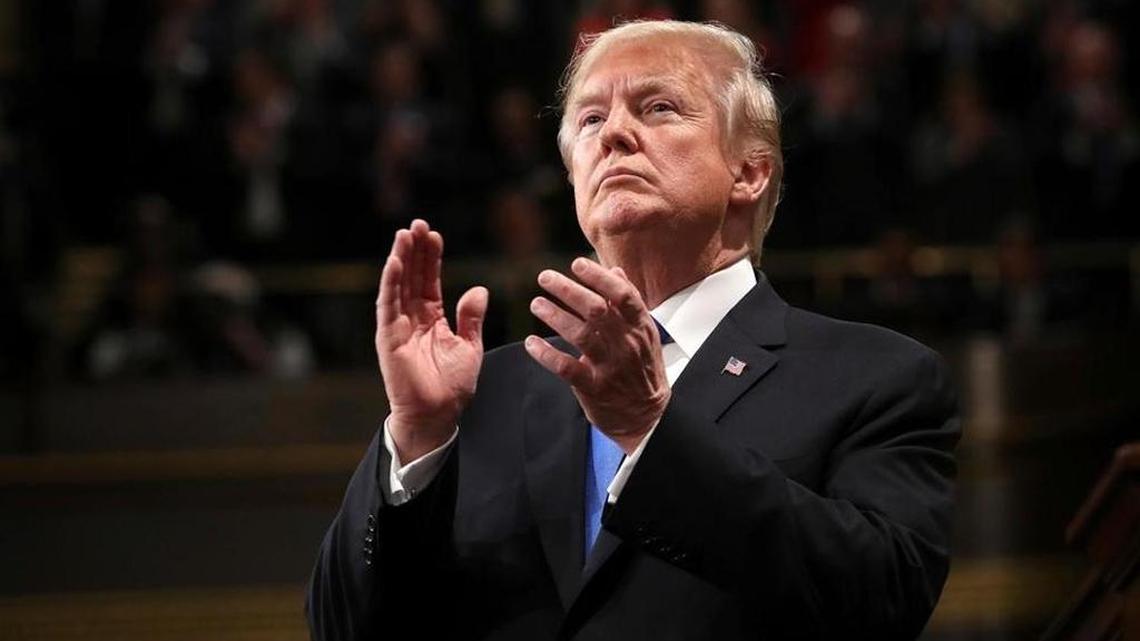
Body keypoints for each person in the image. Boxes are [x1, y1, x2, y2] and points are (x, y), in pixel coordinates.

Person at [306, 20, 959, 641]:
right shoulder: (480, 392)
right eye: (590, 119)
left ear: (750, 172)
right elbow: (343, 627)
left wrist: (651, 434)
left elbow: (882, 601)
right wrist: (415, 435)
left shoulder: (875, 377)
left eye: (658, 108)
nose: (612, 133)